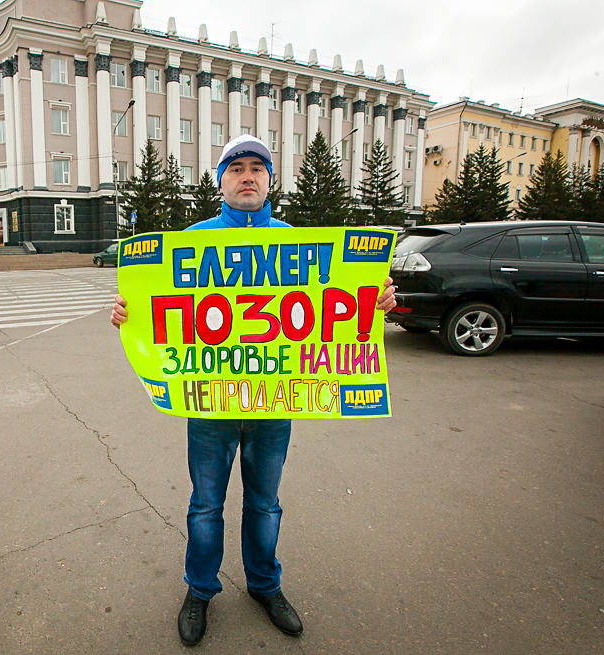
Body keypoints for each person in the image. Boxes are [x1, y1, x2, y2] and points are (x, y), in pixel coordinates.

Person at [110, 135, 397, 646]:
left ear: (269, 181)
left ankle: (266, 585)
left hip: (273, 404)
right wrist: (129, 315)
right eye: (236, 167)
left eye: (257, 169)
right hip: (211, 402)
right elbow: (157, 307)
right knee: (205, 505)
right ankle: (200, 591)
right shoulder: (192, 241)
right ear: (221, 180)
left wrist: (374, 304)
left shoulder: (297, 242)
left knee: (265, 504)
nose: (247, 176)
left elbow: (338, 301)